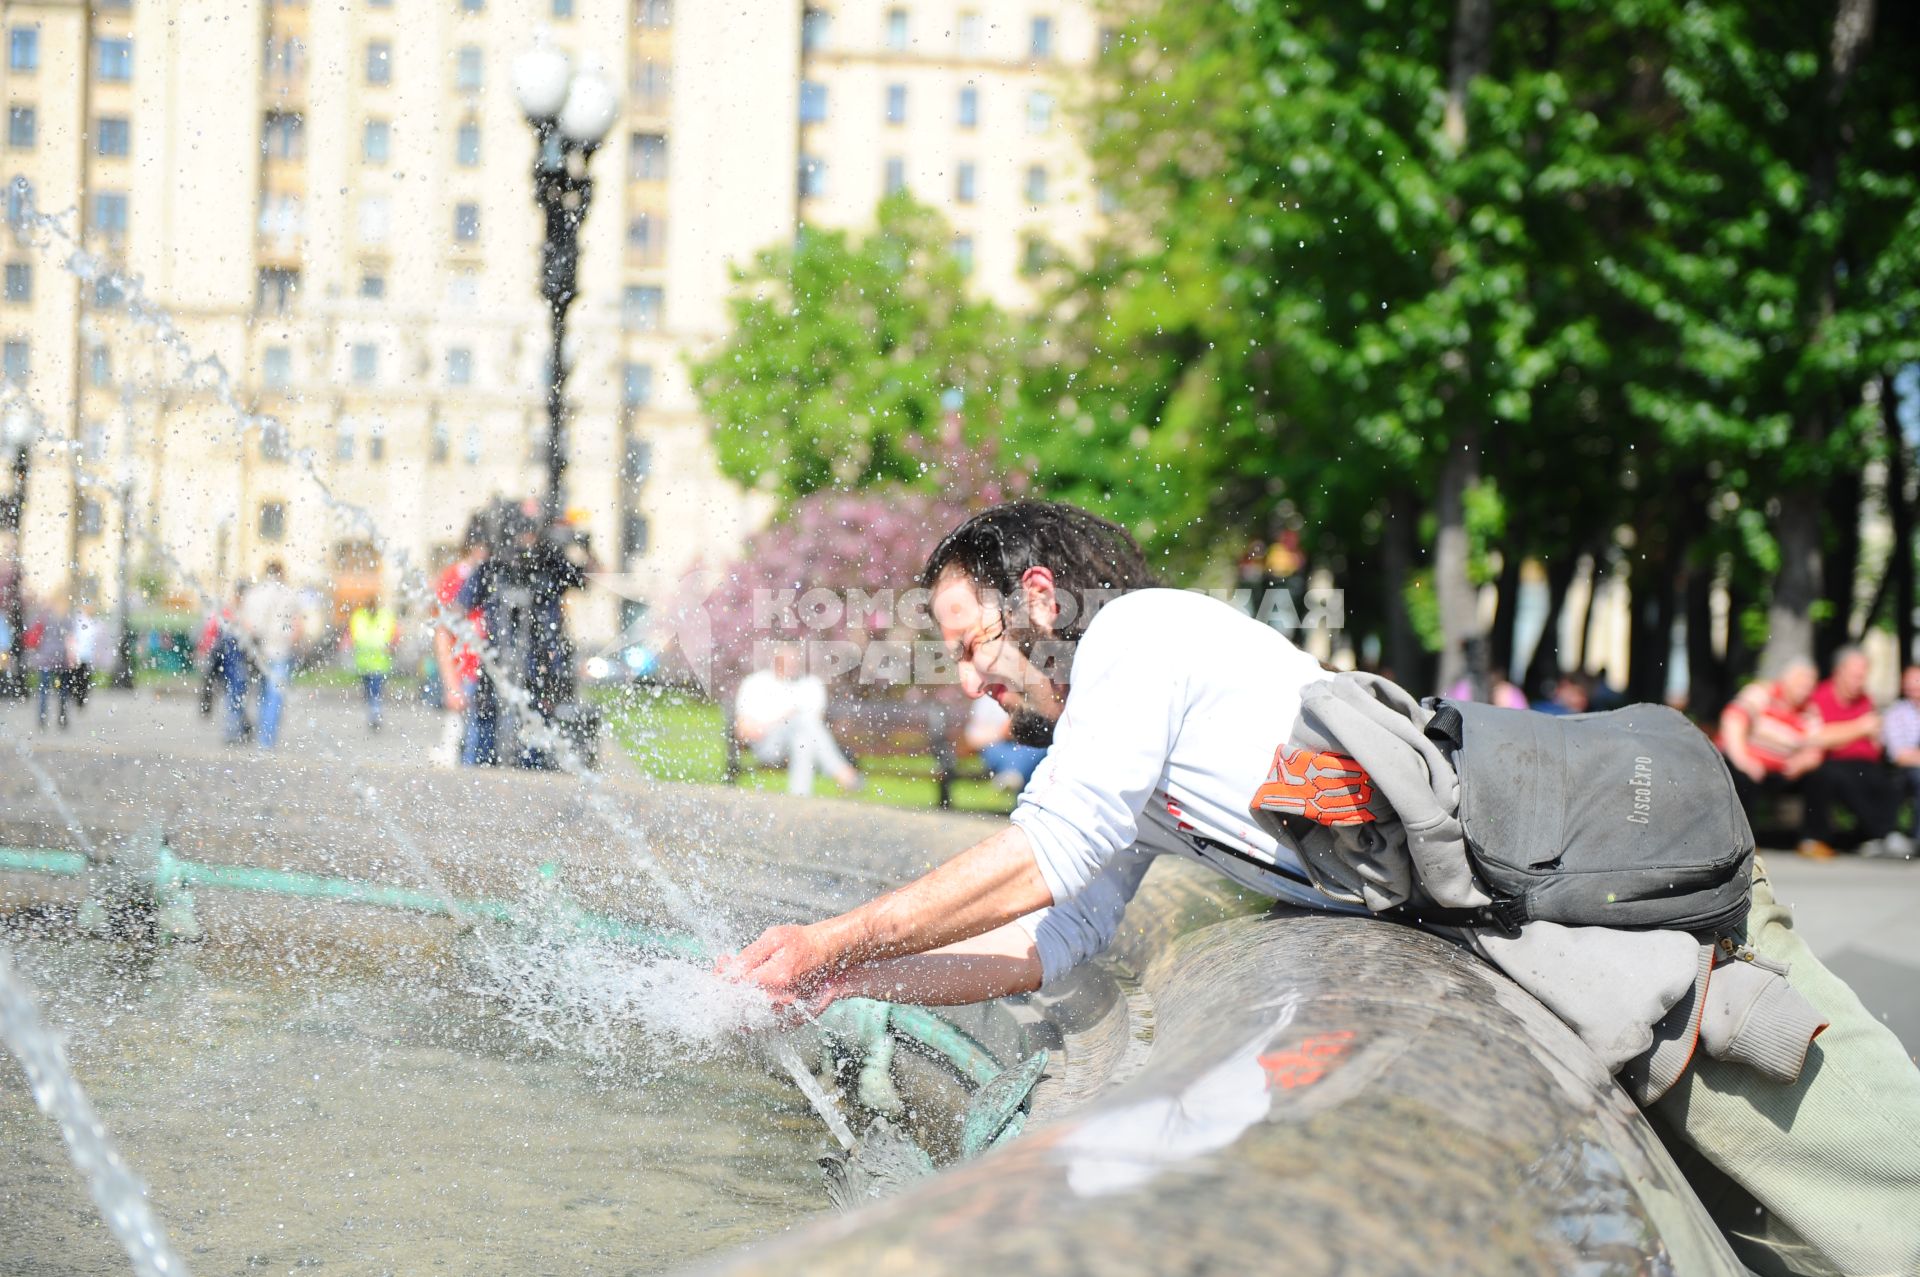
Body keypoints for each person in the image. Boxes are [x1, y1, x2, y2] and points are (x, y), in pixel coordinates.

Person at [720, 500, 1920, 1277]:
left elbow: (1048, 849)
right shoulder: (1128, 742)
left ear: (1039, 599)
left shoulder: (1139, 635)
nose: (976, 680)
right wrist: (858, 979)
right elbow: (1058, 935)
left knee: (1892, 1193)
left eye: (972, 640)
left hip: (1648, 901)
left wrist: (827, 939)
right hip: (1583, 928)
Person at [1805, 646, 1910, 860]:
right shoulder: (1820, 697)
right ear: (1839, 671)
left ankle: (1879, 835)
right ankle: (1882, 834)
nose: (1860, 681)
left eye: (1863, 676)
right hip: (1833, 763)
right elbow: (1819, 736)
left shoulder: (1865, 700)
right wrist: (1859, 728)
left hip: (1866, 762)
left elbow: (1874, 739)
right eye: (1856, 676)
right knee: (1841, 778)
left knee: (1889, 782)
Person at [1717, 659, 1825, 855]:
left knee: (1820, 777)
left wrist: (1802, 762)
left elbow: (1816, 745)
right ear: (1786, 680)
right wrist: (1744, 760)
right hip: (1746, 760)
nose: (1806, 689)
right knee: (1742, 778)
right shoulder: (1760, 693)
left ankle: (1812, 840)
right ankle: (1743, 841)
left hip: (1782, 769)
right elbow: (1733, 721)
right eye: (1802, 682)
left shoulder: (1809, 710)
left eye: (1810, 684)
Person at [734, 645, 861, 796]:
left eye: (793, 659)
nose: (790, 663)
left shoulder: (811, 685)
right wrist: (783, 719)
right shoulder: (755, 684)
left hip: (801, 745)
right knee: (799, 722)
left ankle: (799, 798)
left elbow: (814, 729)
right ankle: (841, 771)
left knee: (803, 739)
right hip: (767, 745)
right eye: (785, 659)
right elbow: (744, 731)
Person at [433, 519, 489, 767]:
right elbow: (442, 633)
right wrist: (452, 684)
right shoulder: (455, 577)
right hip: (466, 675)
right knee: (469, 750)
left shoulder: (495, 575)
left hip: (488, 675)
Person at [239, 561, 301, 748]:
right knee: (275, 694)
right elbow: (297, 626)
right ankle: (266, 738)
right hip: (280, 649)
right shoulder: (289, 595)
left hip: (258, 649)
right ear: (282, 573)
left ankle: (259, 730)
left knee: (260, 692)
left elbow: (245, 623)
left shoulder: (253, 594)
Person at [964, 693, 1046, 792]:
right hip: (999, 747)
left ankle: (1012, 774)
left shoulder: (1031, 693)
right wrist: (1002, 733)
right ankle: (1013, 774)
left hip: (1026, 747)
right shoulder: (986, 701)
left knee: (1035, 748)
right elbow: (973, 737)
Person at [1881, 664, 1920, 845]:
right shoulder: (1897, 713)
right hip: (1906, 771)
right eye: (1909, 682)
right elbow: (1900, 756)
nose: (1913, 686)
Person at [348, 596, 397, 733]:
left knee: (374, 690)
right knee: (371, 691)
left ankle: (374, 713)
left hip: (372, 663)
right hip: (373, 663)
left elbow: (353, 637)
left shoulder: (362, 617)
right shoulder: (363, 617)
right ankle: (374, 712)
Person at [26, 601, 71, 730]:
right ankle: (62, 717)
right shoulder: (64, 618)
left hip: (45, 659)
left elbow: (33, 636)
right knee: (62, 689)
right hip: (60, 659)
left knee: (43, 690)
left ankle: (42, 718)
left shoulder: (42, 618)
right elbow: (70, 637)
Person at [66, 603, 101, 712]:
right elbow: (72, 637)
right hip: (78, 654)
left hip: (87, 655)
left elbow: (95, 639)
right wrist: (72, 652)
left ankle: (81, 699)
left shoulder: (93, 622)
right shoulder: (78, 621)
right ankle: (77, 697)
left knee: (85, 678)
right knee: (76, 676)